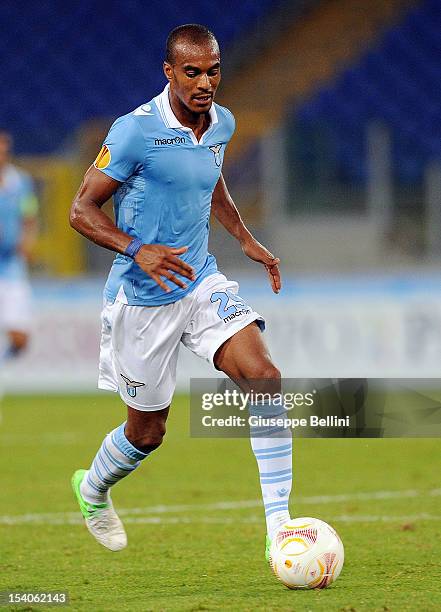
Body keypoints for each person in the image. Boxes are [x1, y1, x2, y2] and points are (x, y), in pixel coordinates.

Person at [70, 24, 292, 561]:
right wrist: (135, 248)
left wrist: (244, 237)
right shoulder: (133, 131)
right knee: (148, 432)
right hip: (144, 299)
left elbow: (210, 177)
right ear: (169, 72)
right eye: (191, 72)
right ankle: (94, 489)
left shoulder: (222, 124)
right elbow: (80, 211)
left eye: (213, 70)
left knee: (263, 377)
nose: (204, 82)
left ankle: (280, 526)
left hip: (201, 279)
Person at [0, 131, 38, 362]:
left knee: (20, 338)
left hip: (12, 264)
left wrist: (28, 241)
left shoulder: (21, 182)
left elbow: (29, 215)